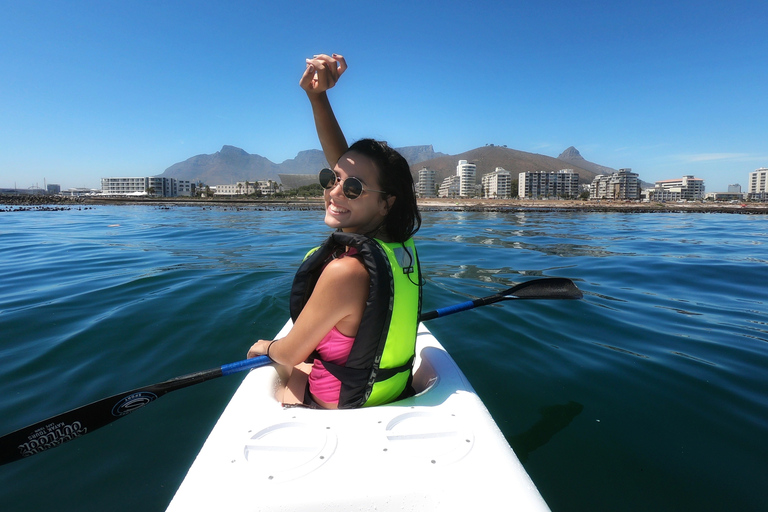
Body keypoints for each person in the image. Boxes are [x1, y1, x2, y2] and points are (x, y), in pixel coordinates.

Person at [247, 53, 422, 409]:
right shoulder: (399, 244)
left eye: (352, 188)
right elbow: (348, 166)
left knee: (272, 354)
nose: (335, 192)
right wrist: (317, 97)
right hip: (390, 388)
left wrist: (266, 347)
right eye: (332, 179)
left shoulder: (345, 271)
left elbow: (290, 352)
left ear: (386, 202)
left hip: (341, 400)